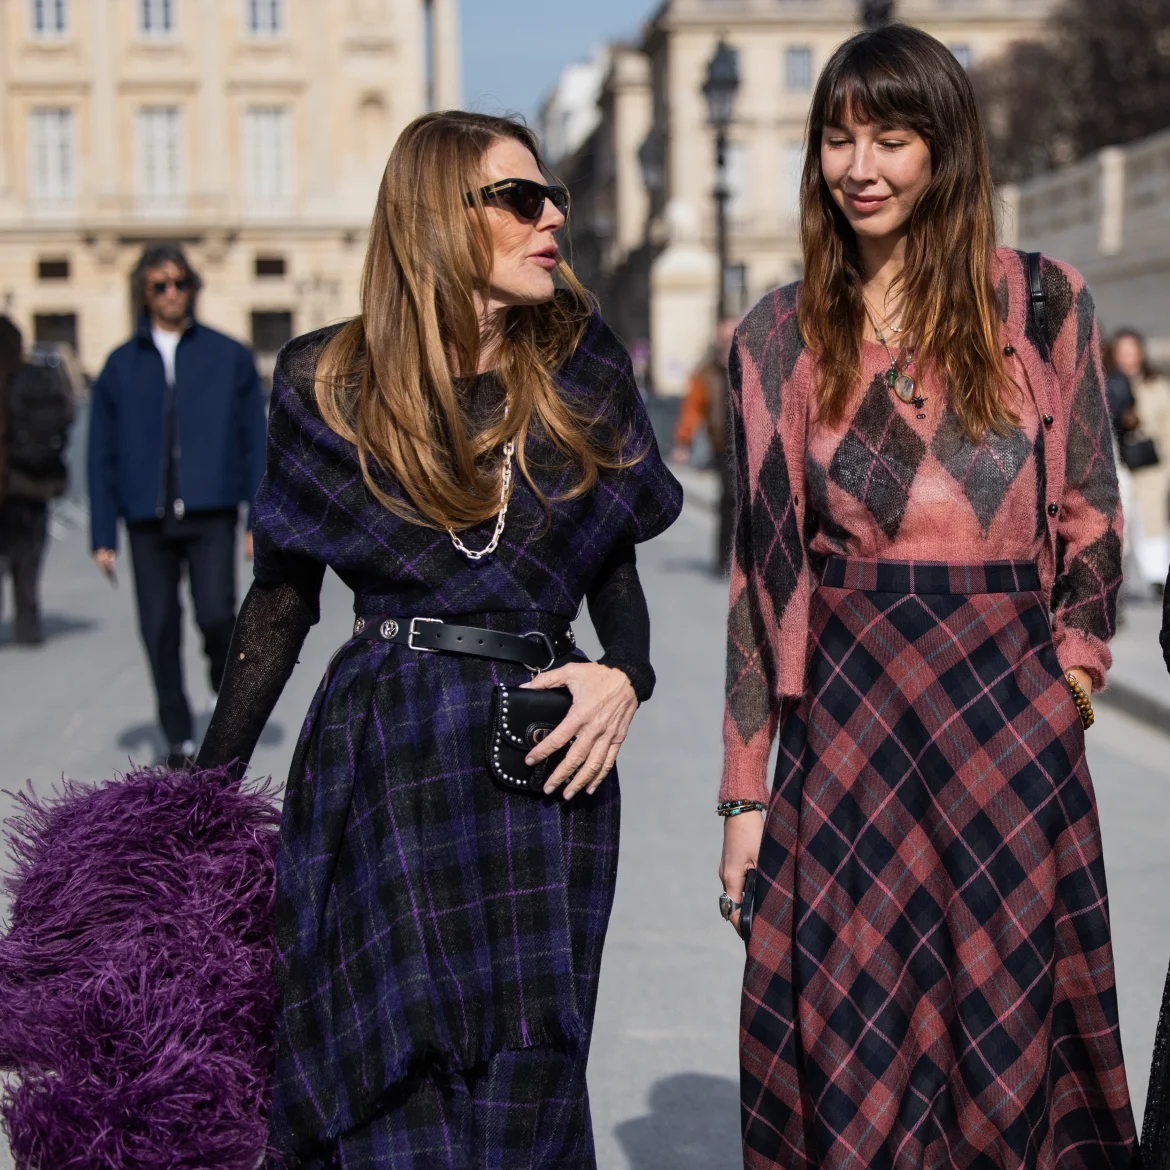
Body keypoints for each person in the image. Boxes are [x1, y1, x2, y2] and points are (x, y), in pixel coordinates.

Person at [195, 110, 682, 1166]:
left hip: (542, 754)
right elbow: (280, 602)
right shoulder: (328, 382)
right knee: (377, 1066)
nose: (552, 218)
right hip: (388, 748)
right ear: (439, 217)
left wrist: (627, 675)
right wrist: (196, 800)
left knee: (528, 1082)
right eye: (522, 198)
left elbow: (613, 565)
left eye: (553, 197)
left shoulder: (581, 368)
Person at [717, 25, 1136, 1169]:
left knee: (1005, 1041)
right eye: (838, 139)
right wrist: (745, 794)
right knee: (856, 1036)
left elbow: (1093, 516)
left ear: (945, 149)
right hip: (851, 724)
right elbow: (763, 579)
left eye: (892, 138)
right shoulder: (777, 335)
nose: (860, 168)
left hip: (1010, 720)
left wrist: (1071, 680)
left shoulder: (1041, 303)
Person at [88, 244, 266, 767]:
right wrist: (102, 535)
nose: (171, 293)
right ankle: (178, 737)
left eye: (179, 282)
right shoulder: (120, 365)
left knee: (216, 616)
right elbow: (101, 454)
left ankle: (219, 687)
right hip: (147, 518)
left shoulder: (228, 356)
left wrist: (259, 519)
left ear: (193, 287)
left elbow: (255, 443)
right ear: (144, 293)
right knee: (159, 628)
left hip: (212, 511)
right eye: (159, 285)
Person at [0, 317, 75, 645]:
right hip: (33, 484)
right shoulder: (36, 379)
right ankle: (28, 625)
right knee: (28, 562)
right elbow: (66, 415)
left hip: (8, 484)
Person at [672, 317, 737, 575]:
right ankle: (724, 560)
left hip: (752, 447)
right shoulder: (707, 374)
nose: (729, 342)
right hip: (723, 447)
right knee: (729, 499)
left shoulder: (752, 367)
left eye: (733, 337)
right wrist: (683, 442)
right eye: (724, 338)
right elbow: (692, 410)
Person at [1111, 329, 1170, 594]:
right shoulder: (1107, 385)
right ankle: (1118, 579)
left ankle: (1157, 578)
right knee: (1121, 520)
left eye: (1132, 352)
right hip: (1120, 465)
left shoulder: (1157, 386)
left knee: (1153, 521)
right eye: (1122, 353)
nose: (1128, 358)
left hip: (1151, 465)